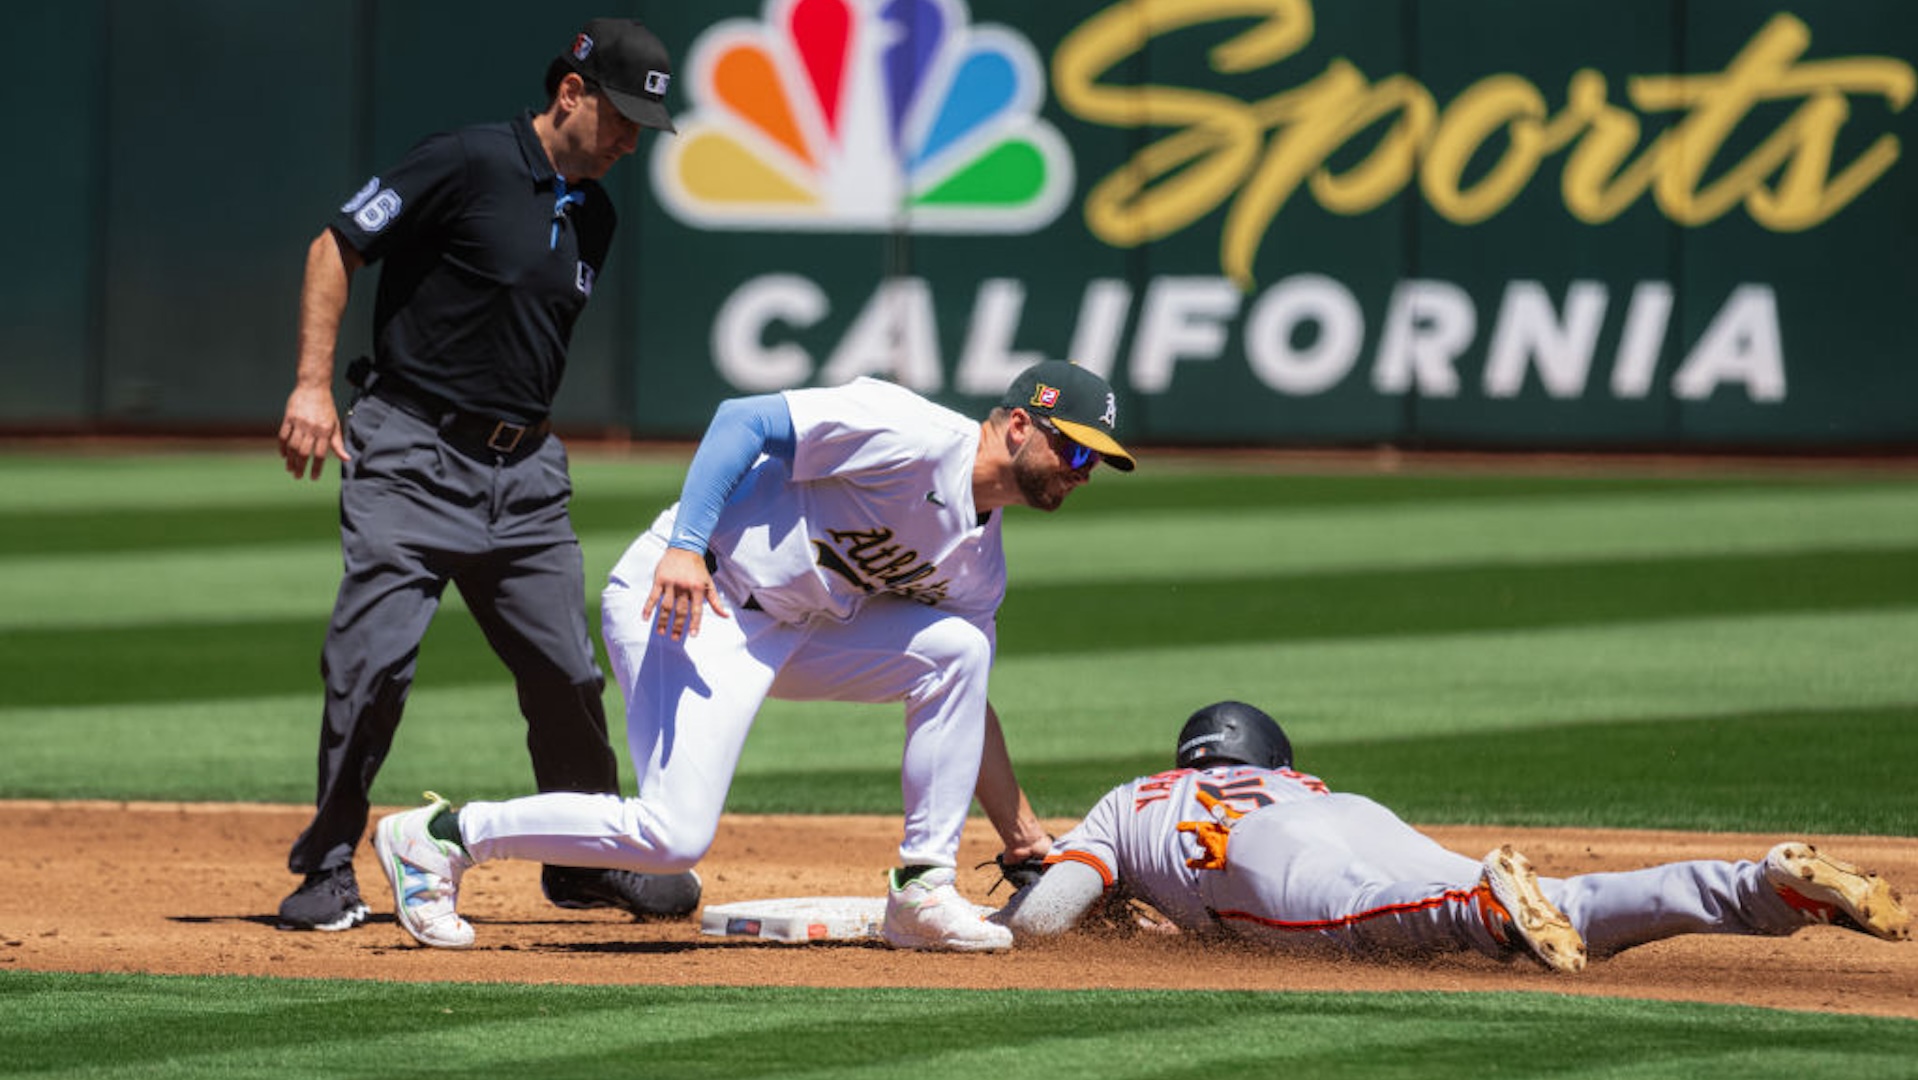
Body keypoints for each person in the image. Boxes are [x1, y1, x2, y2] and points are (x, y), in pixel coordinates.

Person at [369, 359, 1137, 951]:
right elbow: (744, 420)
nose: (1083, 472)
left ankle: (922, 890)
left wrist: (1024, 837)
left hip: (795, 629)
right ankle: (439, 838)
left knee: (958, 651)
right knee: (671, 837)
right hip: (689, 599)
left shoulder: (980, 563)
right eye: (1074, 451)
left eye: (1094, 462)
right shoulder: (908, 430)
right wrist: (685, 545)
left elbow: (967, 705)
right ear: (1017, 427)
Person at [273, 18, 700, 932]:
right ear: (571, 92)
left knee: (567, 675)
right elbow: (334, 246)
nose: (629, 140)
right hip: (414, 454)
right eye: (619, 116)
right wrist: (313, 385)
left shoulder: (598, 213)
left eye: (642, 126)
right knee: (372, 666)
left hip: (527, 475)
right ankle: (326, 868)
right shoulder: (463, 163)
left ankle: (584, 860)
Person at [998, 701, 1913, 972]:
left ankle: (1482, 908)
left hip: (1258, 862)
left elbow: (1044, 924)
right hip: (1357, 812)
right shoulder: (1295, 777)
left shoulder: (1133, 799)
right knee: (1563, 907)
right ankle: (1761, 887)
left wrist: (1098, 901)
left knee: (1380, 920)